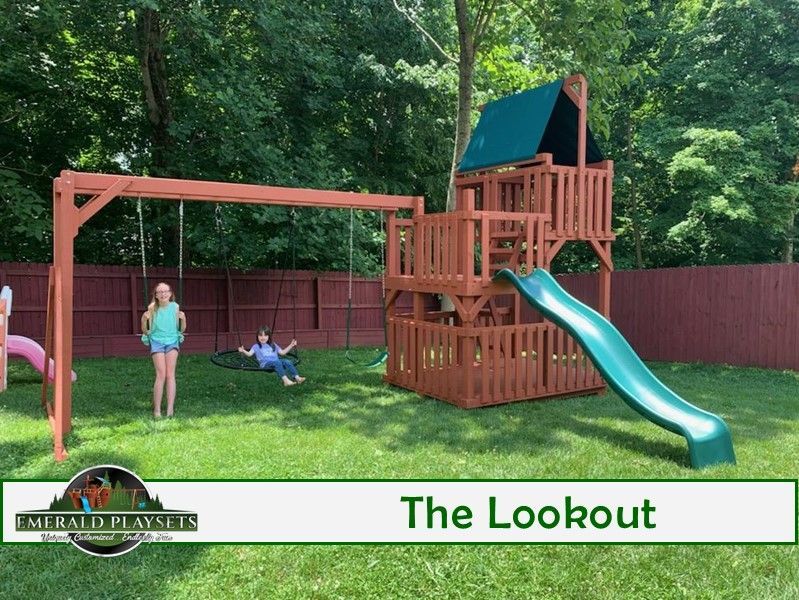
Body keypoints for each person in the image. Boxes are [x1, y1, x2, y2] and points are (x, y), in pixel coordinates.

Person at [140, 282, 186, 418]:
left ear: (170, 293)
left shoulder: (175, 307)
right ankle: (157, 410)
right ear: (156, 295)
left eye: (166, 291)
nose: (163, 294)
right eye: (160, 292)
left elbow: (181, 329)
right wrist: (144, 320)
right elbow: (146, 331)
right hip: (157, 341)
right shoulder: (152, 308)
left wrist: (183, 320)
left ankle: (170, 409)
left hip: (172, 340)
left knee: (170, 375)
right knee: (161, 374)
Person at [238, 326, 305, 386]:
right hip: (265, 365)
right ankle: (286, 381)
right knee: (277, 362)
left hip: (276, 362)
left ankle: (297, 377)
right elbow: (249, 354)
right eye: (260, 335)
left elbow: (282, 353)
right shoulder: (256, 346)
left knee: (287, 361)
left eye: (265, 335)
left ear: (269, 336)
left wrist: (291, 345)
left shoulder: (273, 344)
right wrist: (243, 350)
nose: (263, 337)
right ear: (257, 336)